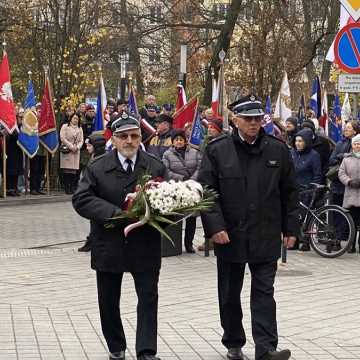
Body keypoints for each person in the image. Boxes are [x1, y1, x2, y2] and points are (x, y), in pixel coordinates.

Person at [198, 94, 299, 360]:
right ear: (235, 120)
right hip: (230, 234)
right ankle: (233, 341)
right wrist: (214, 226)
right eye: (248, 119)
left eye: (257, 119)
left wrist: (291, 229)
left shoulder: (277, 149)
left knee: (265, 292)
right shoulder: (218, 149)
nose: (254, 123)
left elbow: (290, 191)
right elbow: (206, 191)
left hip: (265, 233)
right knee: (230, 292)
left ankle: (266, 348)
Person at [73, 113, 167, 360]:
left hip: (144, 243)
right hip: (109, 243)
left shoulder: (154, 165)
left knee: (148, 297)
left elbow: (168, 199)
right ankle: (116, 347)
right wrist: (116, 214)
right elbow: (81, 199)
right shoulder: (97, 167)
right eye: (123, 136)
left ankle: (146, 351)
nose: (129, 140)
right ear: (113, 139)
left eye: (134, 136)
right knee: (108, 300)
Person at [162, 129, 202, 253]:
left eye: (181, 139)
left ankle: (189, 244)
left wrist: (191, 180)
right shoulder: (167, 154)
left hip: (192, 188)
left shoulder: (195, 152)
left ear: (185, 141)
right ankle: (175, 244)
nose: (179, 142)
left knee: (191, 217)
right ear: (173, 142)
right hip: (176, 188)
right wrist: (181, 179)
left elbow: (200, 167)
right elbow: (166, 171)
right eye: (176, 140)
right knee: (177, 217)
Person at [78, 132, 106, 253]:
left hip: (100, 195)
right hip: (92, 194)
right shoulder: (93, 158)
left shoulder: (102, 160)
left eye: (90, 146)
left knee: (97, 219)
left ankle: (93, 241)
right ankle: (92, 240)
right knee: (93, 219)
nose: (87, 148)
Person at [338, 134, 360, 253]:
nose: (357, 146)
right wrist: (349, 181)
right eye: (355, 144)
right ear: (352, 145)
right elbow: (341, 173)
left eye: (359, 144)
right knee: (351, 222)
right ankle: (350, 245)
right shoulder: (346, 159)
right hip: (351, 193)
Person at [60, 113, 84, 194]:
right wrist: (71, 146)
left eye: (77, 119)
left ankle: (72, 187)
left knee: (74, 171)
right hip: (67, 150)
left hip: (76, 151)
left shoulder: (80, 128)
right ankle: (67, 187)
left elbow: (81, 140)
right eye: (74, 118)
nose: (75, 120)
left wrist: (77, 147)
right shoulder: (65, 126)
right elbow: (62, 138)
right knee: (67, 170)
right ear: (70, 118)